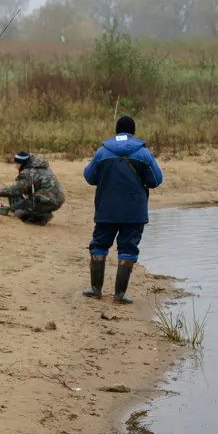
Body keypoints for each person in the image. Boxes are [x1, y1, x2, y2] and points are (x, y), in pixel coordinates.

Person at [81, 116, 163, 304]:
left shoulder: (102, 152)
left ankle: (95, 289)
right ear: (133, 132)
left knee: (99, 245)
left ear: (116, 131)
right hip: (134, 212)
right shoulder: (143, 153)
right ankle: (119, 295)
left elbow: (89, 177)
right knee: (128, 248)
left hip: (106, 210)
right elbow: (156, 180)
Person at [0, 151, 65, 225]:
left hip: (46, 201)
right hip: (57, 199)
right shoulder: (42, 167)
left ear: (21, 163)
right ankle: (41, 212)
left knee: (16, 211)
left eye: (16, 163)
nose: (15, 166)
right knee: (17, 200)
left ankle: (42, 217)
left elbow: (14, 191)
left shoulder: (27, 173)